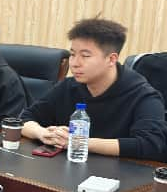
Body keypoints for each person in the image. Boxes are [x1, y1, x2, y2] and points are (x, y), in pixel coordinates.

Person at [21, 18, 167, 160]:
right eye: (72, 54)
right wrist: (42, 133)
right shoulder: (69, 86)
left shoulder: (143, 95)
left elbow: (151, 144)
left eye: (85, 56)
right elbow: (24, 119)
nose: (75, 63)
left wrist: (79, 142)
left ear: (111, 59)